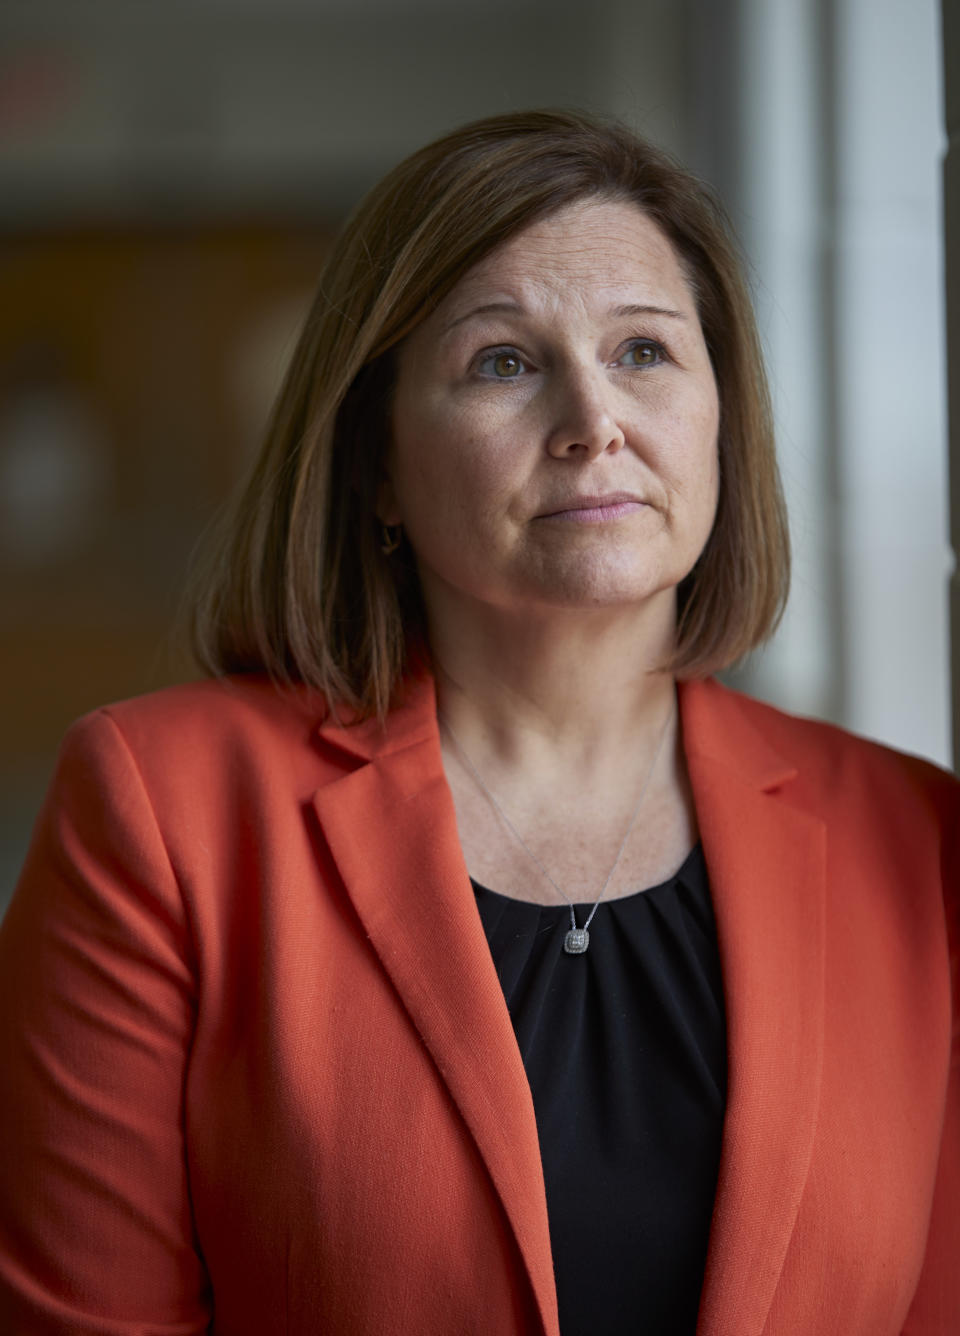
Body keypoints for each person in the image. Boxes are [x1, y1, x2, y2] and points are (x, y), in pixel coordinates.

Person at [0, 109, 956, 1336]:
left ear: (723, 419)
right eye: (505, 362)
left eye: (646, 353)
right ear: (378, 465)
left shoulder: (915, 839)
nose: (593, 420)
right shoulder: (161, 808)